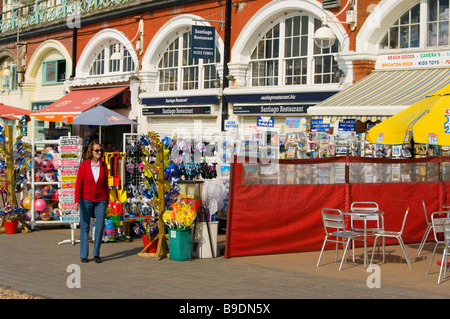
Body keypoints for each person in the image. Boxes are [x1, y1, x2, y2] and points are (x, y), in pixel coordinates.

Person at [74, 140, 110, 263]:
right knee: (84, 227)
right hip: (86, 199)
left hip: (100, 200)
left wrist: (107, 200)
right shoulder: (84, 165)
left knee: (100, 226)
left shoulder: (104, 166)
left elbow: (106, 185)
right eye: (96, 150)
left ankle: (96, 253)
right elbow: (78, 184)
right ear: (91, 151)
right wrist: (76, 200)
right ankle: (84, 254)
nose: (99, 152)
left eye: (100, 150)